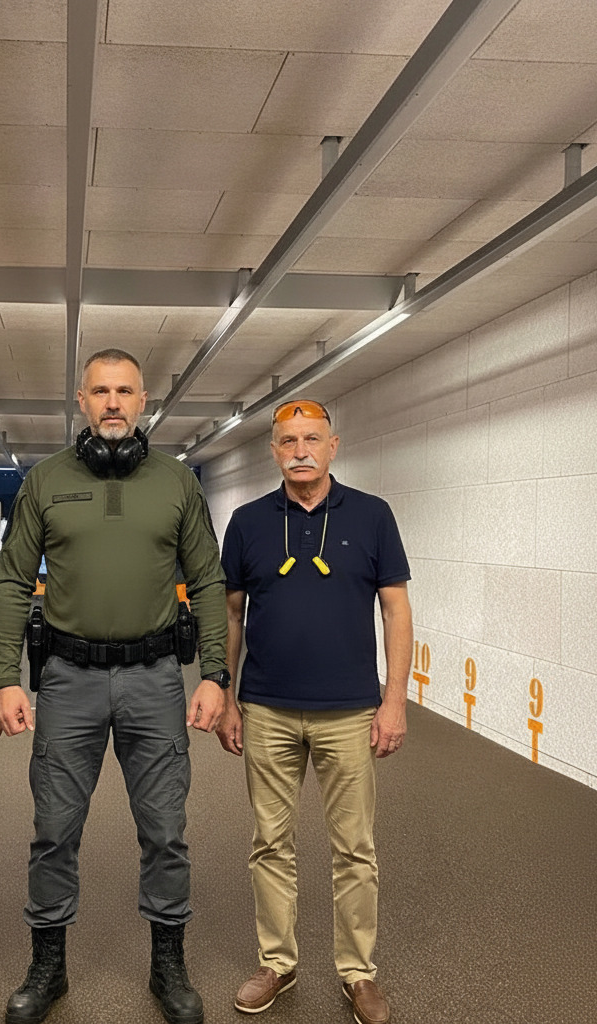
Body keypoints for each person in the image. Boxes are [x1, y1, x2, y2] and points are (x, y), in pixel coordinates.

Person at [0, 349, 230, 1024]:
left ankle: (168, 965)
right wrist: (5, 680)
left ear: (144, 399)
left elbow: (208, 580)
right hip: (68, 681)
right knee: (53, 829)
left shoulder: (176, 482)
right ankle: (48, 967)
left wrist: (215, 674)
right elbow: (12, 582)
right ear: (82, 400)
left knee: (165, 830)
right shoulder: (44, 480)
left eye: (125, 390)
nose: (114, 402)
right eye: (101, 391)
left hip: (155, 680)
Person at [216, 399, 412, 1024]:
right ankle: (277, 962)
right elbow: (231, 615)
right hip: (266, 709)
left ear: (333, 445)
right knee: (270, 843)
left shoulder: (373, 516)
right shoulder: (247, 522)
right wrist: (227, 695)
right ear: (273, 450)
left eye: (311, 439)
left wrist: (394, 700)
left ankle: (358, 972)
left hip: (349, 710)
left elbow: (396, 611)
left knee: (354, 848)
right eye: (288, 440)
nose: (300, 450)